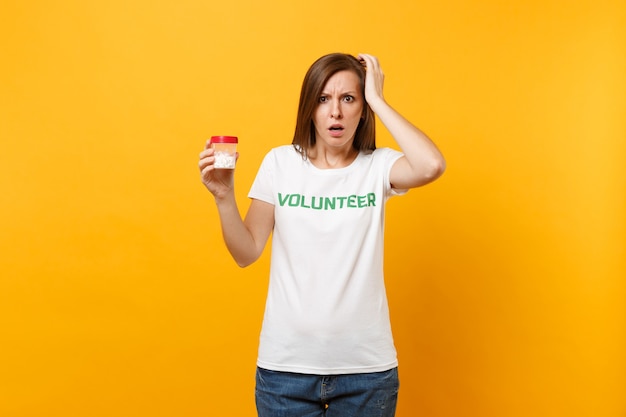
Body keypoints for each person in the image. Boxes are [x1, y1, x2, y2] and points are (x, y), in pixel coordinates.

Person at [199, 52, 445, 417]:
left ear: (362, 109)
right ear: (309, 108)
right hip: (286, 372)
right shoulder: (280, 163)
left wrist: (378, 98)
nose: (336, 112)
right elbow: (246, 252)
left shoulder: (377, 166)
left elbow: (431, 165)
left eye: (349, 99)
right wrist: (223, 198)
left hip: (366, 372)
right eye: (324, 99)